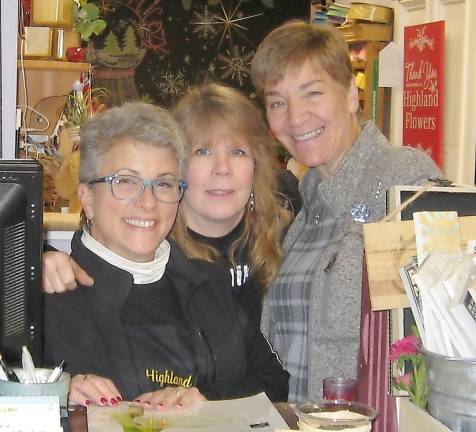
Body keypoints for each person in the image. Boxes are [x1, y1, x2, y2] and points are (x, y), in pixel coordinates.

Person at [44, 102, 290, 409]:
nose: (148, 203)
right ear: (87, 198)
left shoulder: (207, 281)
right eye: (126, 182)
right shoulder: (46, 299)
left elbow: (273, 379)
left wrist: (206, 400)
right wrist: (50, 393)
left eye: (163, 183)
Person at [250, 20, 443, 402]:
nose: (296, 116)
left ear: (351, 96)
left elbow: (441, 330)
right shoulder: (302, 211)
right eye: (277, 102)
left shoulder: (403, 181)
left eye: (312, 93)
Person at [43, 83, 298, 327]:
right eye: (203, 151)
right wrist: (39, 261)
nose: (223, 169)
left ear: (257, 165)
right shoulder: (147, 248)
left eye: (238, 152)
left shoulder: (291, 234)